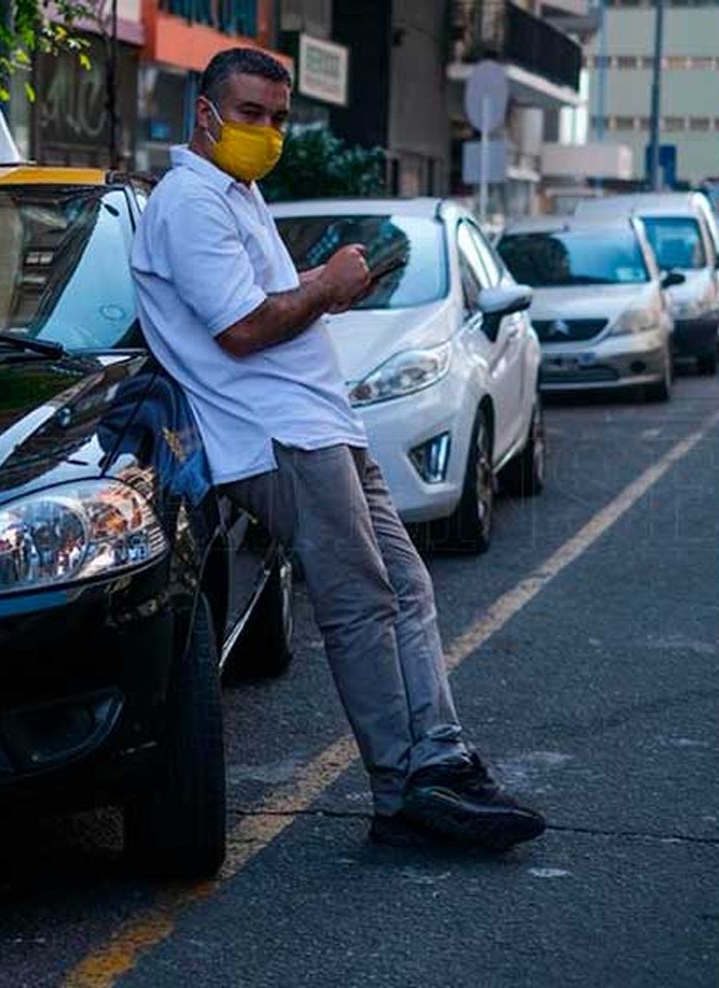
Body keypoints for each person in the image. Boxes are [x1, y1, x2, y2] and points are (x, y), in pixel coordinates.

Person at [130, 47, 546, 849]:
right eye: (251, 114)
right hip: (276, 435)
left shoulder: (237, 193)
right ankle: (401, 791)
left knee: (408, 586)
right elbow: (242, 328)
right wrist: (327, 285)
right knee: (359, 603)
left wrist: (326, 289)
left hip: (325, 423)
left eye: (280, 118)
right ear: (205, 113)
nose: (268, 132)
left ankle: (442, 757)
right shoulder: (189, 202)